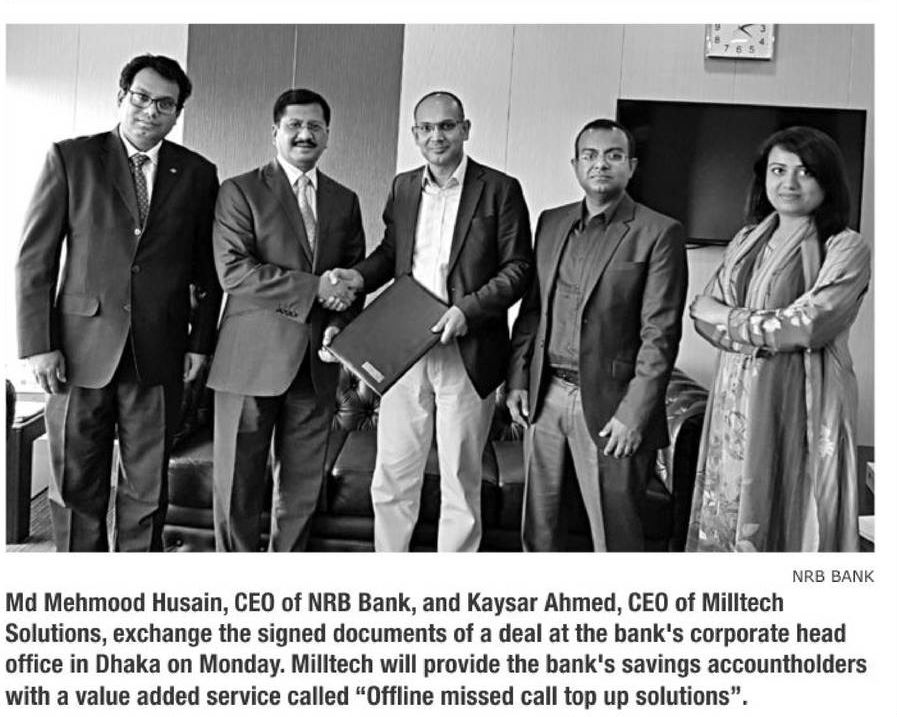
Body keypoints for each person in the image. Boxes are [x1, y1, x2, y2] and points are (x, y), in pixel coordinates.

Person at [15, 54, 221, 552]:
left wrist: (199, 343)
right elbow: (35, 259)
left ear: (177, 113)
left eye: (165, 104)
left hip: (160, 350)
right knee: (76, 483)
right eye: (142, 98)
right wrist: (38, 345)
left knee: (147, 489)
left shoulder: (197, 173)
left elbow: (207, 271)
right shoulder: (72, 158)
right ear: (122, 97)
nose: (151, 111)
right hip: (78, 350)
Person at [330, 91, 532, 551]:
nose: (436, 136)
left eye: (446, 126)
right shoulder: (404, 187)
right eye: (426, 128)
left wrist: (468, 311)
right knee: (393, 472)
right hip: (404, 349)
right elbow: (391, 253)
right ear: (414, 134)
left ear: (465, 129)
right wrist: (358, 277)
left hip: (468, 349)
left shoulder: (500, 188)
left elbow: (518, 268)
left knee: (461, 478)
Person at [506, 118, 688, 552]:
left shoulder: (658, 232)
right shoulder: (551, 222)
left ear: (631, 166)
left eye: (613, 156)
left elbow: (660, 335)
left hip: (613, 405)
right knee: (539, 528)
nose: (600, 164)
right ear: (575, 165)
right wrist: (517, 378)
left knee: (614, 535)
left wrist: (634, 414)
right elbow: (533, 310)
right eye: (589, 155)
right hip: (545, 395)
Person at [687, 126, 870, 552]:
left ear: (827, 179)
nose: (789, 183)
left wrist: (729, 318)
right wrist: (764, 330)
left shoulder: (844, 247)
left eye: (805, 171)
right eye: (778, 170)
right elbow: (702, 319)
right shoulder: (746, 239)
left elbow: (809, 326)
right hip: (735, 399)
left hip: (804, 400)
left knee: (796, 510)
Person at [207, 88, 365, 552]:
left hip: (317, 365)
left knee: (301, 489)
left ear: (328, 135)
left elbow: (351, 278)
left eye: (315, 126)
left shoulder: (344, 199)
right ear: (274, 132)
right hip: (249, 363)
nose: (304, 134)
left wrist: (340, 326)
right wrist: (315, 289)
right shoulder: (240, 190)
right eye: (294, 125)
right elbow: (234, 271)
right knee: (237, 486)